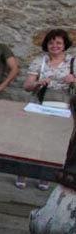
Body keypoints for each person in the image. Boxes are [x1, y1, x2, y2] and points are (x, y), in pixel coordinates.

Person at [17, 28, 74, 190]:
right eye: (51, 42)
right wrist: (38, 83)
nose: (54, 46)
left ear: (64, 45)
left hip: (62, 108)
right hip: (40, 106)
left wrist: (73, 80)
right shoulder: (39, 61)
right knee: (30, 141)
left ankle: (46, 178)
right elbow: (27, 85)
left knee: (53, 145)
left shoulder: (72, 63)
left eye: (58, 43)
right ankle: (23, 175)